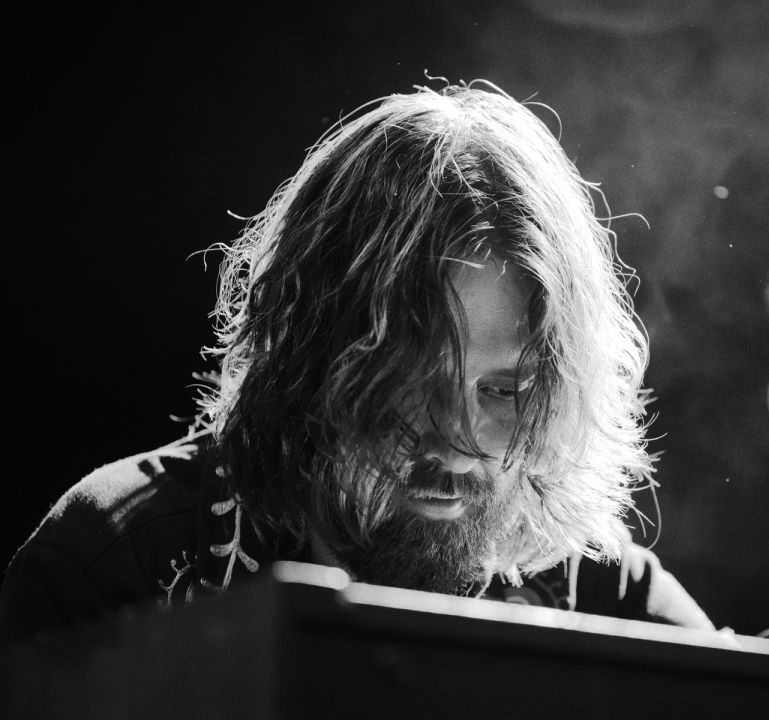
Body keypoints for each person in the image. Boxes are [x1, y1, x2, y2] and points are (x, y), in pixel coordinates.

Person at [0, 81, 713, 644]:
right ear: (305, 355)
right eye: (412, 381)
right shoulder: (119, 567)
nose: (457, 440)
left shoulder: (597, 595)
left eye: (505, 391)